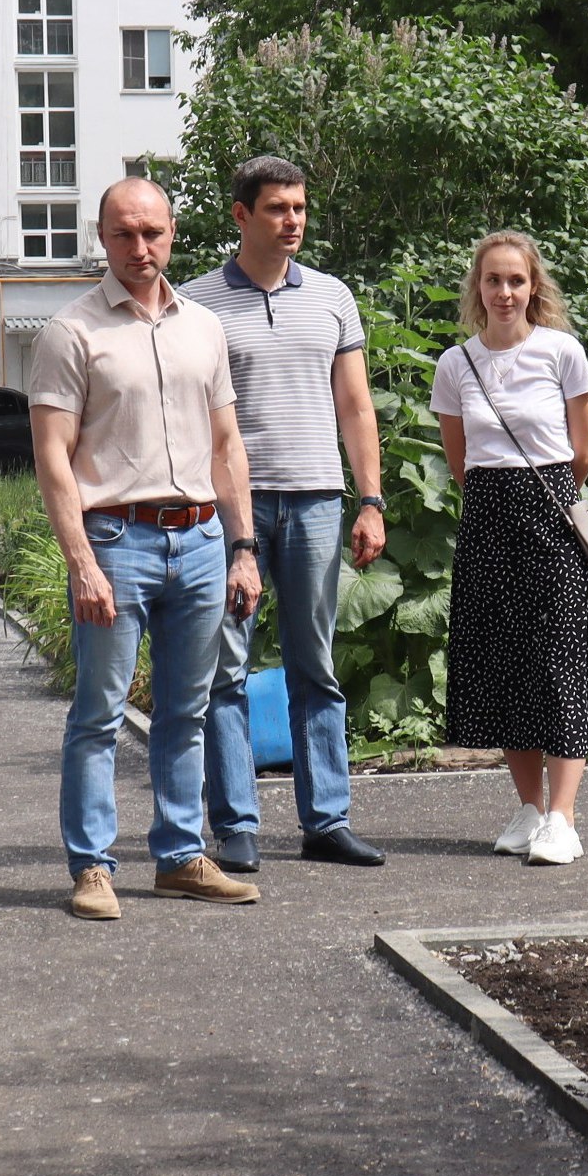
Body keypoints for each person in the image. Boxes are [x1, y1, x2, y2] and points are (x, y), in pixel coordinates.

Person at [28, 178, 265, 920]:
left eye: (153, 233)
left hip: (198, 539)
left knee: (185, 710)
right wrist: (81, 564)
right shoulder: (71, 333)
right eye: (124, 234)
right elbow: (52, 459)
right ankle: (93, 868)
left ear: (172, 233)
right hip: (115, 540)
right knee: (98, 713)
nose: (140, 248)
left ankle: (179, 857)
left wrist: (243, 547)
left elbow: (227, 445)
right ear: (101, 237)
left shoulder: (203, 327)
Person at [182, 155, 388, 871]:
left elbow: (356, 407)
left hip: (316, 501)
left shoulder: (332, 296)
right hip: (227, 508)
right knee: (225, 669)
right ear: (240, 215)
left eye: (298, 208)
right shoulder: (196, 303)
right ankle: (235, 825)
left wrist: (371, 500)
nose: (292, 220)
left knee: (316, 666)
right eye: (276, 208)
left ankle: (325, 821)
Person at [430, 231, 588, 866]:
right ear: (477, 289)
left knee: (560, 661)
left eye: (516, 280)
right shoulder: (456, 364)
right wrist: (499, 503)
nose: (504, 292)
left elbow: (584, 450)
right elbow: (461, 461)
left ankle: (563, 819)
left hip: (553, 518)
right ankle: (529, 808)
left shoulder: (562, 351)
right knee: (504, 663)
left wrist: (544, 503)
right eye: (493, 280)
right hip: (487, 523)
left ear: (534, 287)